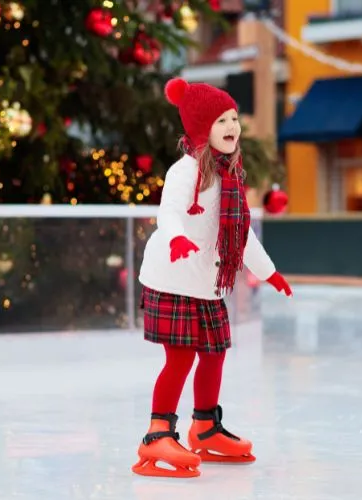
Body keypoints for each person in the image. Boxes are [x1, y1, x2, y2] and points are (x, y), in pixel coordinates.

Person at [131, 78, 292, 479]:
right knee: (180, 358)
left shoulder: (231, 176)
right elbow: (167, 213)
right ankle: (157, 434)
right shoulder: (185, 171)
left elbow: (243, 234)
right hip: (171, 278)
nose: (232, 126)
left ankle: (204, 426)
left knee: (215, 353)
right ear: (202, 128)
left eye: (235, 118)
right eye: (222, 120)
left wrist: (269, 273)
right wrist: (178, 238)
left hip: (205, 283)